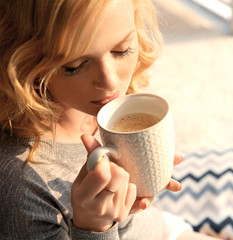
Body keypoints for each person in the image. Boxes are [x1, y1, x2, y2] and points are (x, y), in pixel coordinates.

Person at [0, 0, 220, 239]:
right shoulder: (20, 186)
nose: (110, 83)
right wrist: (94, 226)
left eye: (122, 50)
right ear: (22, 59)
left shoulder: (96, 106)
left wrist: (134, 191)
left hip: (160, 227)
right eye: (75, 65)